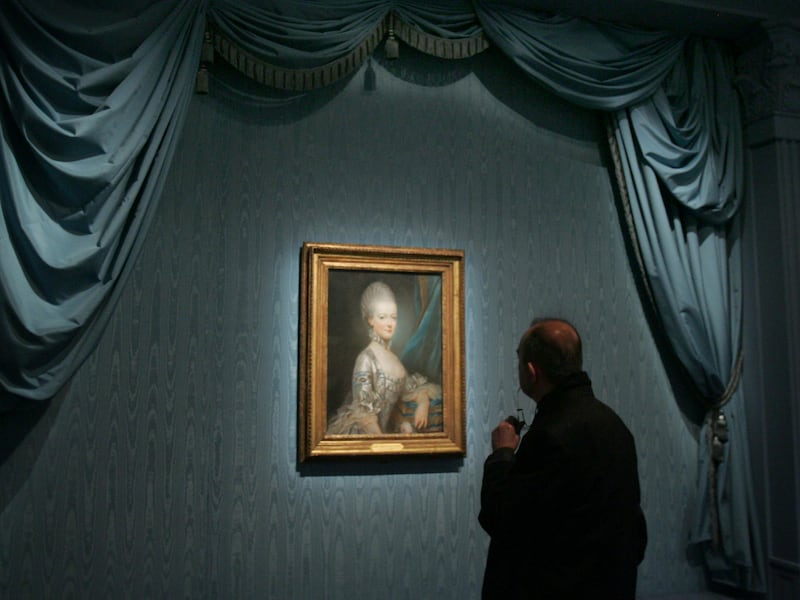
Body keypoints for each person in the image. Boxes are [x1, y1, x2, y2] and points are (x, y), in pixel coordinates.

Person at [479, 318, 647, 599]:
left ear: (532, 371)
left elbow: (501, 519)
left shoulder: (549, 436)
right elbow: (632, 529)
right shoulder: (615, 426)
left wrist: (502, 454)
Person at [327, 281, 441, 435]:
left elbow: (411, 390)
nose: (389, 324)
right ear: (370, 320)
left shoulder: (394, 359)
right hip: (366, 434)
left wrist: (423, 403)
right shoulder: (366, 359)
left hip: (385, 432)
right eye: (382, 317)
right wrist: (383, 441)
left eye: (393, 317)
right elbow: (364, 415)